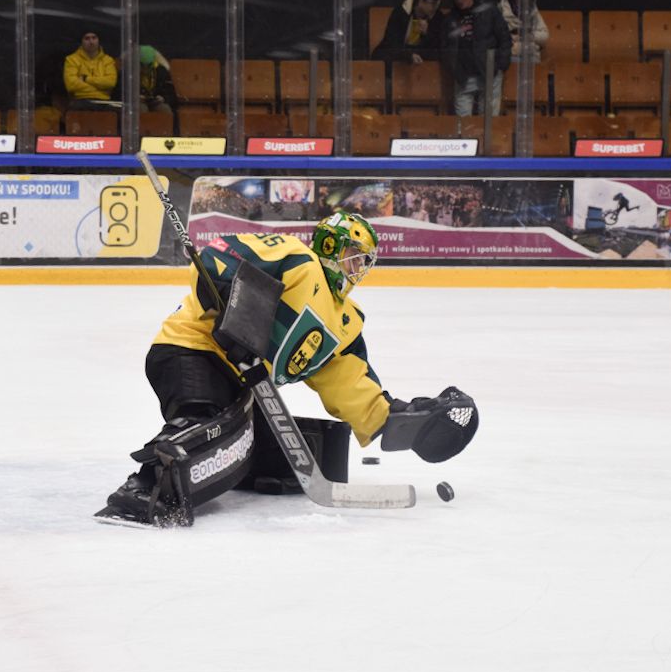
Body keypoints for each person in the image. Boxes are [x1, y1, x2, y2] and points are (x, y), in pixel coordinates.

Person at [96, 210, 480, 527]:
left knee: (313, 453)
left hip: (241, 382)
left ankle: (233, 463)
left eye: (364, 261)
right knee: (209, 423)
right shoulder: (297, 259)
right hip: (192, 349)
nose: (358, 268)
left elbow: (349, 383)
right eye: (354, 255)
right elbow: (219, 255)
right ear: (330, 246)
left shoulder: (345, 321)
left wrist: (406, 423)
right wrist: (233, 313)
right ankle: (144, 490)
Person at [441, 0, 512, 117]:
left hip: (489, 72)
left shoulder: (490, 12)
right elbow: (445, 47)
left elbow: (505, 38)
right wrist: (454, 68)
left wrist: (500, 65)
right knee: (462, 123)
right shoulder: (450, 19)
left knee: (488, 120)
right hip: (463, 76)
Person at [372, 0, 444, 64]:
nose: (436, 7)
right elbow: (392, 43)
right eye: (433, 3)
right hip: (400, 55)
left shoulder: (437, 16)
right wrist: (408, 55)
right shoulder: (400, 14)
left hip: (421, 59)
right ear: (420, 2)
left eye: (437, 3)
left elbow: (439, 47)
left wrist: (427, 32)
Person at [63, 29, 118, 110]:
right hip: (80, 101)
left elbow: (110, 83)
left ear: (98, 40)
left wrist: (86, 79)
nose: (91, 42)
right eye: (87, 38)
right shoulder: (71, 59)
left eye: (94, 38)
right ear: (81, 42)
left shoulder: (108, 60)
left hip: (104, 102)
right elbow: (71, 85)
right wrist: (100, 88)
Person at [497, 0, 550, 64]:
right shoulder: (501, 8)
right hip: (508, 53)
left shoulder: (532, 9)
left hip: (529, 53)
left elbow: (544, 35)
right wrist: (510, 37)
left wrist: (530, 36)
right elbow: (494, 34)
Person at [138, 45, 177, 114]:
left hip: (156, 102)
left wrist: (163, 98)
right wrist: (135, 97)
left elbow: (171, 93)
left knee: (165, 110)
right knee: (141, 110)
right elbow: (122, 92)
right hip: (137, 102)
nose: (145, 68)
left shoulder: (161, 71)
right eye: (142, 65)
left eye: (149, 65)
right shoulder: (130, 72)